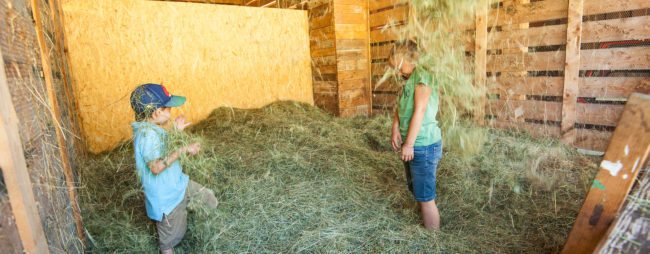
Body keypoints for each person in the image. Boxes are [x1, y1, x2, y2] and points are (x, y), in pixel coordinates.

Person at [130, 83, 218, 253]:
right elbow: (155, 167)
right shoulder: (147, 135)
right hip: (167, 199)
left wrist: (176, 133)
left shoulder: (153, 130)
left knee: (209, 199)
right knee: (169, 240)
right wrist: (183, 149)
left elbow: (163, 149)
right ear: (156, 112)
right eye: (168, 108)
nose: (171, 111)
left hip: (178, 183)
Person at [388, 40, 443, 230]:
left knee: (426, 198)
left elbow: (419, 110)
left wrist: (409, 144)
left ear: (408, 58)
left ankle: (432, 240)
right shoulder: (407, 80)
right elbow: (400, 106)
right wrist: (395, 128)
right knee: (417, 190)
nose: (395, 69)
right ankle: (424, 223)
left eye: (397, 64)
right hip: (412, 144)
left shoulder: (423, 76)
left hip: (423, 145)